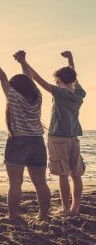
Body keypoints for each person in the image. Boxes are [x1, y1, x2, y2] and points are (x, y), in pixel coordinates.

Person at [16, 50, 86, 216]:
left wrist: (23, 62)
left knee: (62, 174)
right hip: (74, 138)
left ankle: (65, 209)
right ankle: (76, 208)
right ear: (73, 79)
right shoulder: (79, 93)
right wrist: (70, 59)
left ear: (59, 80)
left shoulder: (60, 93)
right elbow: (74, 77)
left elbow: (37, 80)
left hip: (58, 138)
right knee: (76, 175)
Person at [0, 52, 50, 221]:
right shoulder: (38, 97)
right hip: (38, 142)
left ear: (14, 86)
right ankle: (44, 215)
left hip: (18, 141)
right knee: (40, 183)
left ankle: (13, 215)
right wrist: (23, 61)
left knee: (15, 184)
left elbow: (2, 78)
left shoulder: (13, 96)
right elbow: (29, 78)